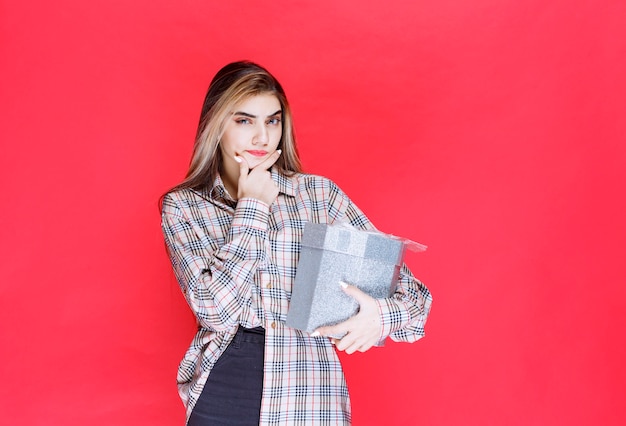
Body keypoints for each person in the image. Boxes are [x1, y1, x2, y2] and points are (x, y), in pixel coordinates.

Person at [160, 61, 432, 425]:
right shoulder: (185, 206)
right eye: (244, 121)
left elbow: (415, 303)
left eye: (272, 120)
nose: (262, 137)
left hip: (309, 391)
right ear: (216, 125)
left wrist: (380, 317)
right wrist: (253, 206)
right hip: (226, 391)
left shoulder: (318, 196)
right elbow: (216, 312)